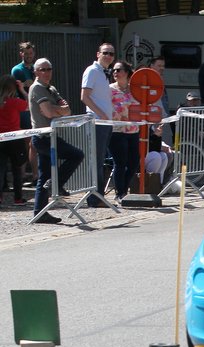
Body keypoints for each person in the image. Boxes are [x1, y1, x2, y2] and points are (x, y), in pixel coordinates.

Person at [28, 58, 84, 224]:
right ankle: (57, 183)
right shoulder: (37, 88)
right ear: (36, 72)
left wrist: (57, 110)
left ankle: (40, 213)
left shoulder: (50, 88)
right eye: (43, 69)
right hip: (43, 137)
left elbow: (67, 110)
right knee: (76, 155)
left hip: (51, 135)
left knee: (44, 176)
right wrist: (59, 110)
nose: (46, 72)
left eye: (49, 69)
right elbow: (48, 112)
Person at [81, 42, 116, 207]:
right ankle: (95, 198)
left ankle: (98, 196)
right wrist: (101, 114)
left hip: (105, 122)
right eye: (105, 52)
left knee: (100, 159)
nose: (108, 56)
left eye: (111, 53)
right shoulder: (92, 71)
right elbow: (85, 96)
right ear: (98, 54)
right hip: (97, 122)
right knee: (96, 160)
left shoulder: (103, 73)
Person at [108, 61, 139, 202]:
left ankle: (124, 189)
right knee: (120, 162)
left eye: (118, 70)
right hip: (116, 130)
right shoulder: (109, 89)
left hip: (133, 130)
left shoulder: (134, 89)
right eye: (113, 70)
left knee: (133, 163)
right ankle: (120, 193)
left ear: (126, 72)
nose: (115, 72)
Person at [11, 41, 37, 185]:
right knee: (26, 142)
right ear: (21, 54)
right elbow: (18, 90)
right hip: (23, 110)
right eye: (26, 54)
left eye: (31, 53)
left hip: (34, 108)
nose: (28, 56)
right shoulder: (17, 70)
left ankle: (33, 174)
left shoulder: (36, 68)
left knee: (33, 143)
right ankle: (25, 175)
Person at [0, 75, 28, 205]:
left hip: (1, 138)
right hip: (15, 138)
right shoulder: (15, 102)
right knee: (17, 169)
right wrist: (22, 90)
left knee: (1, 170)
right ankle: (18, 198)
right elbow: (29, 105)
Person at [148, 56, 172, 146]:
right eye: (159, 65)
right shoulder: (148, 80)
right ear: (152, 66)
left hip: (164, 117)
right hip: (154, 119)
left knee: (168, 143)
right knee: (158, 145)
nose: (162, 68)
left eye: (163, 66)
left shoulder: (160, 79)